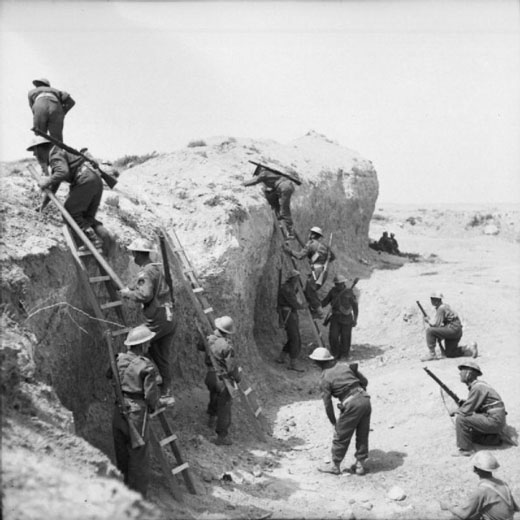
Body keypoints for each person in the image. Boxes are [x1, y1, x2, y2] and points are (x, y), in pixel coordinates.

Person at [28, 135, 112, 254]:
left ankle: (92, 240)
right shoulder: (59, 154)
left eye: (35, 152)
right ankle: (104, 236)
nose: (35, 155)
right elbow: (54, 185)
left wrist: (46, 180)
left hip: (85, 179)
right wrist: (44, 204)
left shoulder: (54, 154)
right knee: (87, 217)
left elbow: (62, 172)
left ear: (41, 148)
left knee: (70, 212)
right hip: (95, 180)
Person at [119, 238, 176, 406]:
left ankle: (137, 384)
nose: (132, 256)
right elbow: (141, 285)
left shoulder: (146, 272)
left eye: (133, 253)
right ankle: (166, 391)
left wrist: (126, 294)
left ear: (137, 254)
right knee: (160, 354)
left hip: (158, 317)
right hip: (169, 317)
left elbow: (145, 295)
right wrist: (130, 288)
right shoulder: (155, 269)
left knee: (136, 345)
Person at [110, 325, 160, 498]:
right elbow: (151, 396)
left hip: (119, 410)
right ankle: (138, 500)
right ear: (143, 345)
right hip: (137, 414)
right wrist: (153, 407)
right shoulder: (146, 366)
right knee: (139, 459)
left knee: (121, 455)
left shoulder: (117, 359)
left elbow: (109, 375)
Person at [309, 347, 371, 476]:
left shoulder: (325, 378)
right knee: (362, 433)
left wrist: (334, 422)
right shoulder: (344, 367)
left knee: (341, 436)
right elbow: (364, 382)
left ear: (318, 362)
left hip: (351, 403)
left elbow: (327, 404)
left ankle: (335, 466)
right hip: (365, 399)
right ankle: (360, 465)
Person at [198, 316, 241, 445]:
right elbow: (231, 367)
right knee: (224, 408)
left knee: (214, 397)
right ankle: (221, 437)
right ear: (228, 332)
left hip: (210, 376)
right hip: (222, 380)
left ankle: (211, 418)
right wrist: (238, 377)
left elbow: (200, 346)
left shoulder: (208, 339)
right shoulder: (227, 346)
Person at [439, 451, 519, 519]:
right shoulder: (503, 484)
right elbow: (515, 508)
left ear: (475, 469)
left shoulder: (481, 491)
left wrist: (448, 506)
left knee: (456, 518)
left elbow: (464, 514)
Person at [451, 361, 507, 457]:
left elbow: (466, 410)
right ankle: (495, 439)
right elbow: (476, 404)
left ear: (469, 373)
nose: (460, 373)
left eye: (462, 371)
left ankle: (466, 450)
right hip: (496, 420)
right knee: (470, 434)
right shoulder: (480, 386)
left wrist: (455, 411)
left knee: (461, 419)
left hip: (494, 420)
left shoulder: (478, 387)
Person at [283, 226, 335, 318]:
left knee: (310, 291)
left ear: (313, 235)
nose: (308, 235)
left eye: (310, 233)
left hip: (317, 272)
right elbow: (332, 257)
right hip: (323, 272)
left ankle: (319, 312)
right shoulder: (323, 246)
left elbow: (299, 256)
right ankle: (314, 310)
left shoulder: (311, 244)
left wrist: (289, 251)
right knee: (308, 291)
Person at [243, 163, 298, 238]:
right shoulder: (271, 173)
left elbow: (255, 181)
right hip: (285, 186)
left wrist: (243, 184)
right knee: (272, 196)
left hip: (284, 187)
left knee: (285, 211)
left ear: (260, 169)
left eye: (257, 172)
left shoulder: (264, 173)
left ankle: (291, 232)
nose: (258, 174)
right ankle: (278, 213)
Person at [421, 291, 477, 361]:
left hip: (452, 328)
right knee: (450, 353)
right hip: (457, 330)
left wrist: (428, 320)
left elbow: (435, 324)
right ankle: (468, 348)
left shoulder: (441, 308)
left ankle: (432, 354)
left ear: (437, 300)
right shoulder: (445, 306)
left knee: (430, 331)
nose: (431, 300)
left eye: (432, 299)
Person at [321, 274, 358, 359]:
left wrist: (355, 319)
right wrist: (316, 306)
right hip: (335, 318)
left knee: (346, 337)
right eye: (336, 284)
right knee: (333, 336)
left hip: (347, 318)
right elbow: (325, 302)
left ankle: (345, 354)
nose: (337, 286)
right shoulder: (332, 292)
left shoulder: (349, 292)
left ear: (343, 283)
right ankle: (335, 353)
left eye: (339, 284)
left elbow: (355, 307)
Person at [28, 78, 75, 142]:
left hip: (39, 107)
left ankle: (41, 149)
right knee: (57, 138)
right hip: (56, 108)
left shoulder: (31, 92)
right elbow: (71, 102)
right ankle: (58, 150)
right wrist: (62, 112)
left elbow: (32, 107)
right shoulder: (57, 91)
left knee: (40, 135)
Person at [276, 269, 305, 372]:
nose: (298, 279)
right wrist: (302, 306)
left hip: (291, 314)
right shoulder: (287, 289)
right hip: (288, 315)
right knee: (295, 338)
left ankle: (281, 357)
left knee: (293, 337)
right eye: (297, 278)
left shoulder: (289, 287)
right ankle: (293, 363)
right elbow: (293, 302)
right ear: (293, 278)